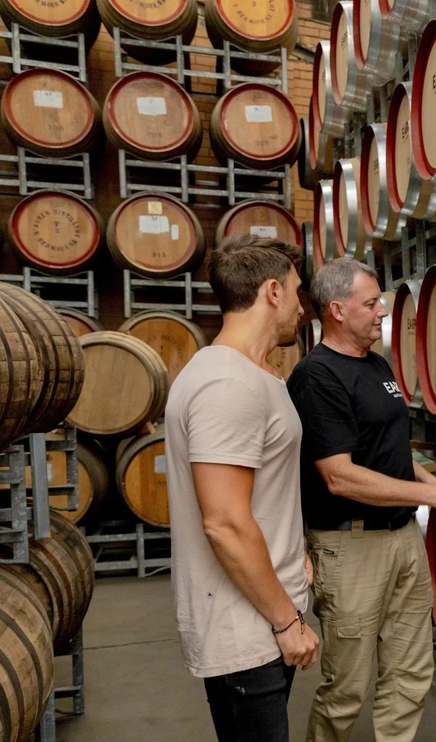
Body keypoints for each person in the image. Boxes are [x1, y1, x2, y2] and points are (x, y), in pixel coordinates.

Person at [288, 258, 436, 742]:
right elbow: (341, 477)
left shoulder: (376, 365)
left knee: (410, 671)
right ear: (336, 310)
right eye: (372, 302)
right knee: (347, 688)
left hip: (402, 539)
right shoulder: (317, 377)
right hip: (351, 548)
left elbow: (391, 456)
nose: (383, 312)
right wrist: (433, 495)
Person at [164, 235, 320, 742]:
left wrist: (292, 551)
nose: (303, 306)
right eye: (298, 291)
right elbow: (226, 523)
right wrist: (285, 623)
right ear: (273, 291)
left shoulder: (254, 375)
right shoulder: (227, 384)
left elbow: (260, 495)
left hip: (260, 613)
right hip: (248, 628)